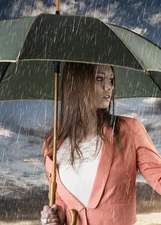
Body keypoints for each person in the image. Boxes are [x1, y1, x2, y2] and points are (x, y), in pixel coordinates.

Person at [40, 62, 161, 225]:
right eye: (99, 79)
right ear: (76, 84)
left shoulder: (129, 130)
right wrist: (56, 215)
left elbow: (158, 175)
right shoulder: (51, 146)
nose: (109, 86)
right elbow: (61, 199)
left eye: (111, 80)